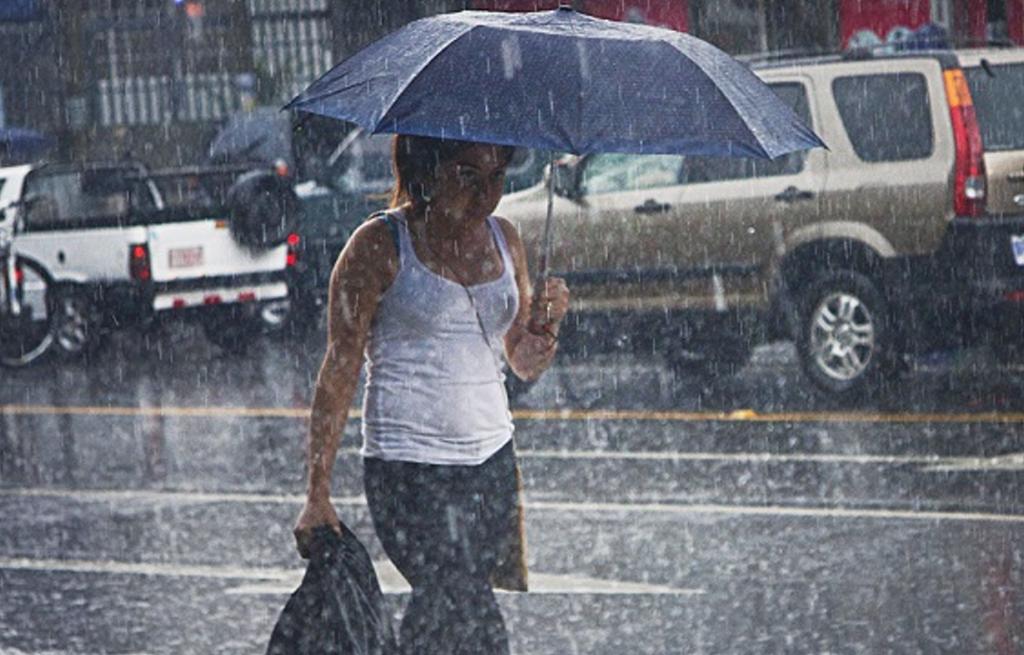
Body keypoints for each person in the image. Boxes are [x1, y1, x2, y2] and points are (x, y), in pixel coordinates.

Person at [292, 134, 570, 655]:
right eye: (467, 175)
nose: (485, 194)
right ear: (427, 171)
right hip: (408, 468)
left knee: (458, 607)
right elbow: (339, 366)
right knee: (459, 605)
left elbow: (522, 360)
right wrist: (317, 493)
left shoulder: (506, 239)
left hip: (491, 462)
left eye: (496, 177)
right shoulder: (379, 245)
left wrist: (545, 330)